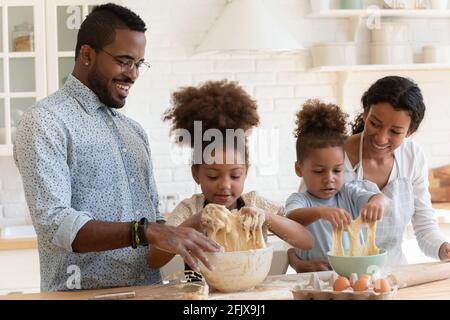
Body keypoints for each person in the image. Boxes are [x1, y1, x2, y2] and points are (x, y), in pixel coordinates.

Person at [13, 3, 220, 292]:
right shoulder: (45, 121)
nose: (133, 74)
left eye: (138, 64)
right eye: (124, 61)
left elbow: (151, 235)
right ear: (87, 54)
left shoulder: (134, 132)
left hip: (148, 293)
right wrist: (145, 231)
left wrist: (183, 232)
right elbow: (54, 226)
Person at [147, 80, 314, 281]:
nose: (225, 185)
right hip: (201, 298)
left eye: (234, 175)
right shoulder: (190, 209)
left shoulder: (254, 204)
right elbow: (153, 260)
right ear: (195, 173)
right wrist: (195, 222)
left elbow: (305, 241)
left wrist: (267, 218)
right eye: (213, 176)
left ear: (246, 172)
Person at [343, 75, 450, 266]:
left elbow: (425, 227)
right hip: (337, 275)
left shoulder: (413, 156)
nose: (381, 138)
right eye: (375, 124)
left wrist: (444, 248)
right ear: (366, 112)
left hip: (395, 275)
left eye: (395, 131)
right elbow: (304, 215)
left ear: (410, 132)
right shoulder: (334, 155)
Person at [285, 99, 388, 273]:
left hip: (354, 273)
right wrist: (320, 212)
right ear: (299, 169)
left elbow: (380, 199)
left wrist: (378, 202)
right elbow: (291, 219)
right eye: (319, 171)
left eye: (337, 170)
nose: (329, 179)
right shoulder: (300, 200)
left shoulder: (348, 193)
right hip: (316, 275)